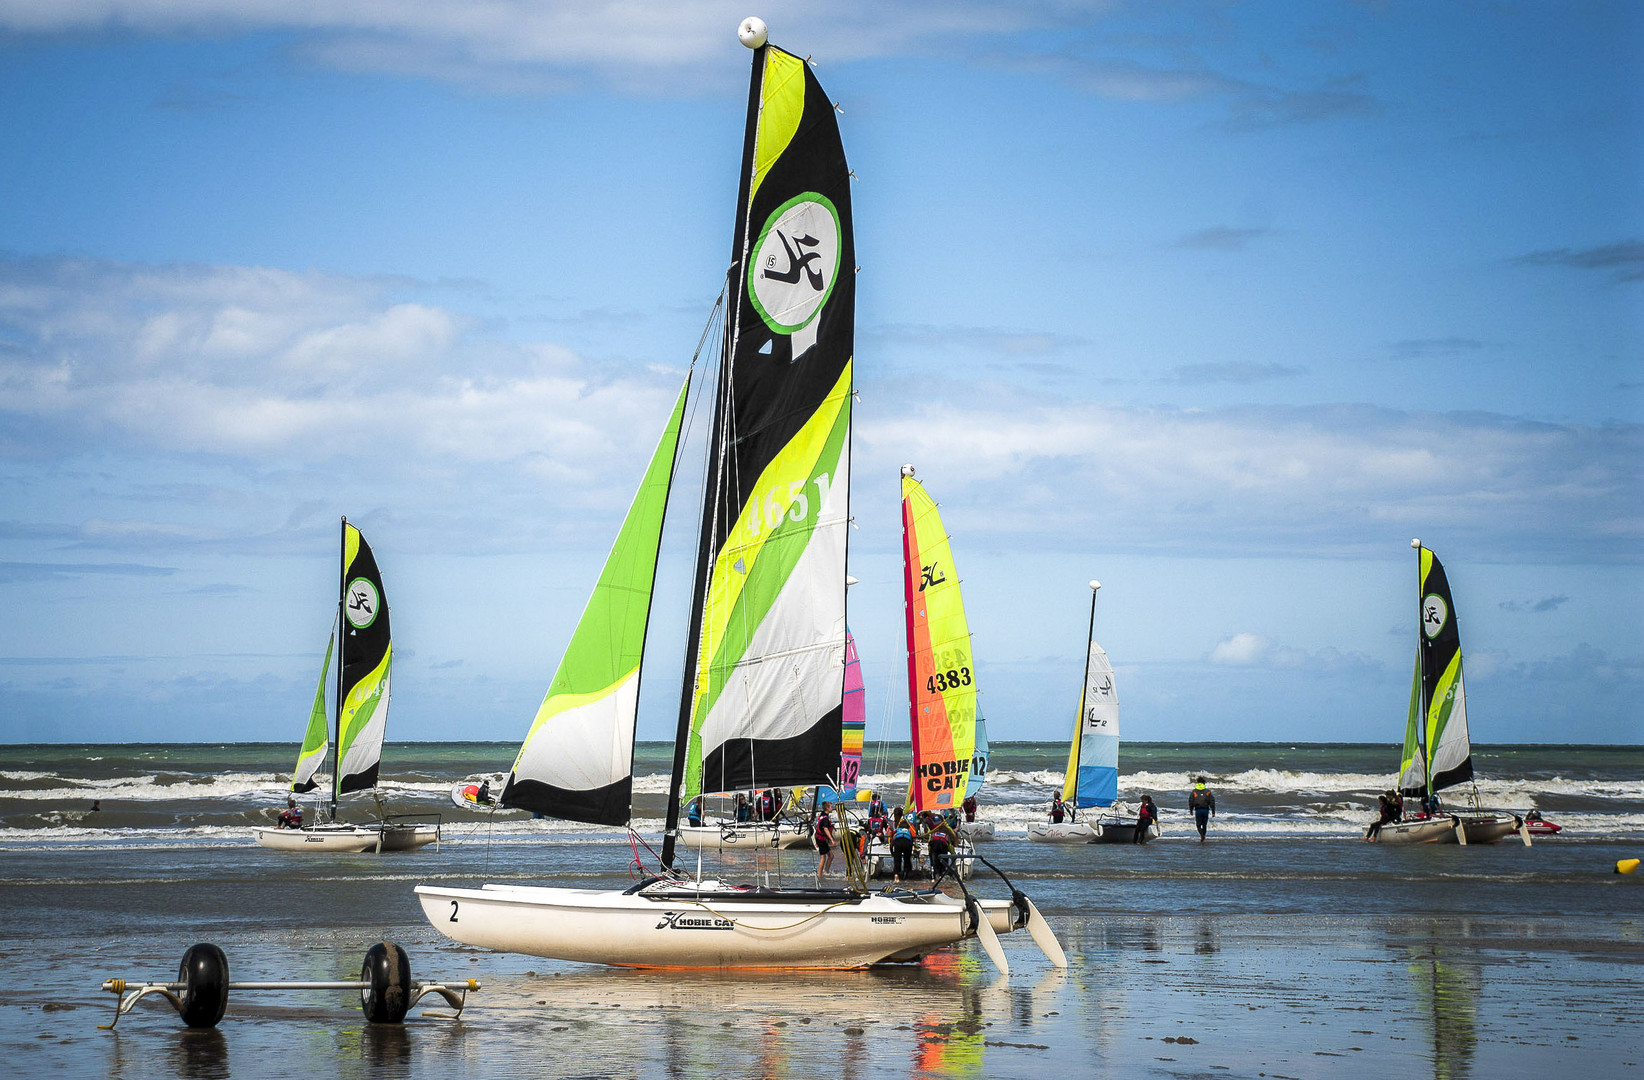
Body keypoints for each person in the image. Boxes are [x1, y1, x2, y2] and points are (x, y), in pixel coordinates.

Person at [1188, 777, 1216, 842]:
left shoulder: (1194, 791)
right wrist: (1213, 811)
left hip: (1198, 810)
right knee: (1204, 825)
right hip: (1206, 810)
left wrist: (1191, 810)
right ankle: (1203, 836)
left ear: (1197, 783)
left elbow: (1190, 801)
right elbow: (1212, 801)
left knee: (1198, 825)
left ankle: (1201, 835)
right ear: (1204, 783)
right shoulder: (1208, 791)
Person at [814, 802, 837, 880]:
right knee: (823, 857)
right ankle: (819, 875)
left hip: (820, 839)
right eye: (831, 806)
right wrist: (832, 840)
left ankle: (826, 872)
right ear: (827, 808)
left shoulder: (823, 814)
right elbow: (825, 829)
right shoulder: (825, 819)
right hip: (821, 839)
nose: (832, 807)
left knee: (831, 856)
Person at [890, 814, 916, 883]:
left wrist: (892, 852)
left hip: (898, 842)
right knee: (906, 859)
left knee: (897, 860)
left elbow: (892, 841)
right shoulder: (909, 831)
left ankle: (896, 875)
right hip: (907, 842)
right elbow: (913, 839)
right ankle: (905, 875)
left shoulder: (897, 830)